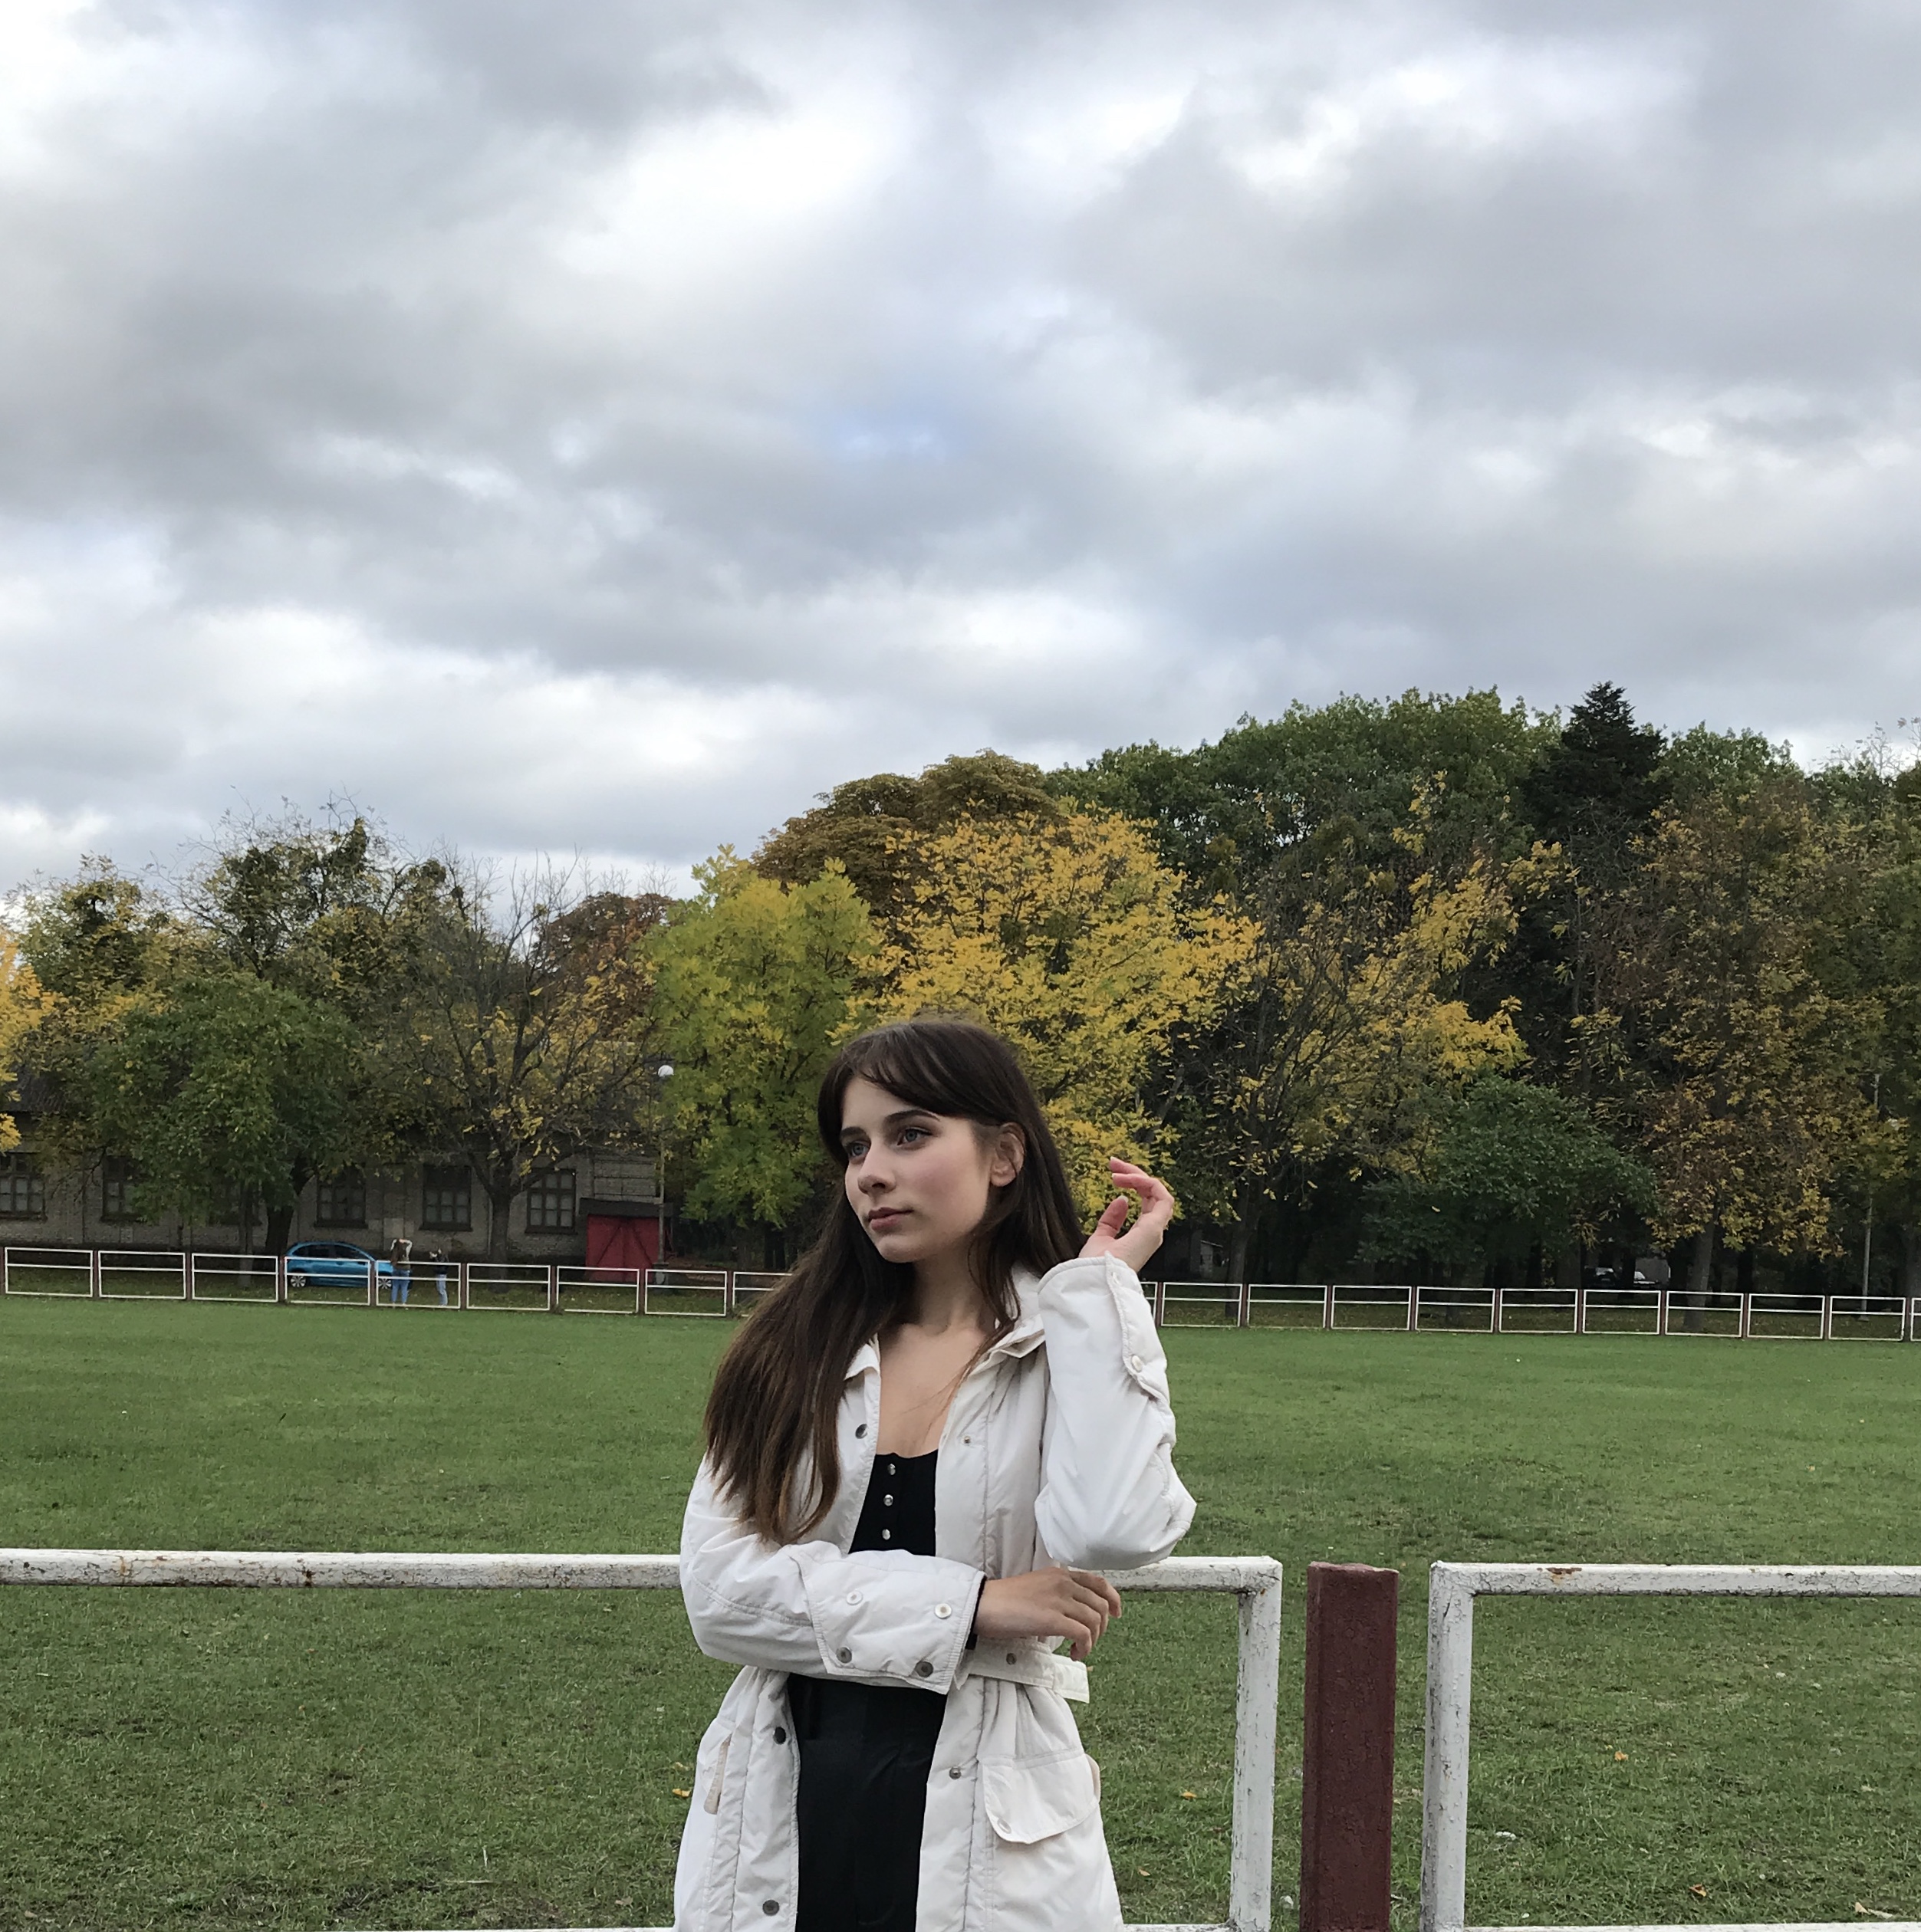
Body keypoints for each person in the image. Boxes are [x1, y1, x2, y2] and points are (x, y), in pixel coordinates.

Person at [676, 1017, 1195, 1932]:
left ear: (1005, 1155)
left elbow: (1112, 1529)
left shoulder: (1065, 1341)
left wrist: (1095, 1296)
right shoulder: (788, 1352)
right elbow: (721, 1596)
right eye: (855, 1147)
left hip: (996, 1840)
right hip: (780, 1814)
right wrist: (975, 1605)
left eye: (910, 1135)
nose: (871, 1173)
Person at [389, 1235, 412, 1306]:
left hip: (396, 1269)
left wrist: (396, 1241)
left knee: (395, 1286)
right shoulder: (405, 1250)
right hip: (405, 1269)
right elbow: (410, 1243)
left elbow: (393, 1244)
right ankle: (403, 1302)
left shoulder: (394, 1251)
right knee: (404, 1286)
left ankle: (393, 1302)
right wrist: (405, 1241)